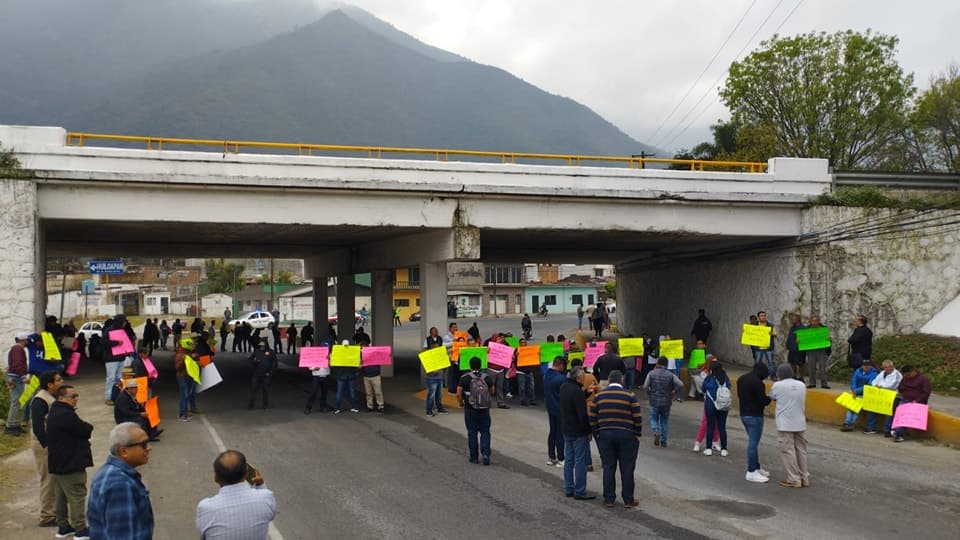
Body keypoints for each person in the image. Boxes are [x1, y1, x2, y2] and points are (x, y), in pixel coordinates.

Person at [87, 422, 154, 539]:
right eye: (143, 444)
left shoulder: (111, 473)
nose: (149, 448)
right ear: (123, 451)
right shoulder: (120, 485)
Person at [589, 370, 642, 508]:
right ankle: (628, 500)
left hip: (605, 435)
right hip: (627, 435)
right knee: (627, 468)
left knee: (608, 467)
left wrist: (597, 433)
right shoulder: (630, 395)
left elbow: (592, 417)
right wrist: (637, 433)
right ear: (621, 380)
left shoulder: (599, 396)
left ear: (609, 381)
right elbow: (637, 417)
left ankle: (609, 499)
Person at [196, 450, 277, 539]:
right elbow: (271, 515)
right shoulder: (265, 497)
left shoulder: (205, 508)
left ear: (216, 478)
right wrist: (261, 485)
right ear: (246, 473)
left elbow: (204, 536)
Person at [47, 385, 93, 539]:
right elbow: (84, 429)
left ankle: (63, 526)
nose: (76, 399)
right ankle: (80, 529)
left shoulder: (56, 411)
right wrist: (87, 427)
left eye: (76, 395)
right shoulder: (65, 414)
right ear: (61, 398)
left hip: (59, 463)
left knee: (61, 496)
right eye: (72, 396)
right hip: (71, 462)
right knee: (77, 495)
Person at [30, 371, 63, 527]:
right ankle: (47, 516)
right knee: (48, 480)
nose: (61, 382)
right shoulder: (40, 400)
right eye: (58, 380)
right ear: (49, 385)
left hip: (51, 443)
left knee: (54, 479)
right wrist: (47, 445)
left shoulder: (51, 397)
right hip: (44, 445)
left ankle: (53, 511)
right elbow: (37, 426)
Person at [769, 364, 809, 488]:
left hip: (785, 424)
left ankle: (794, 478)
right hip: (800, 422)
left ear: (779, 375)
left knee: (788, 451)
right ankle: (804, 477)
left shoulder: (778, 385)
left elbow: (772, 397)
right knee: (801, 450)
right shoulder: (802, 385)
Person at [560, 366, 595, 500]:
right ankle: (579, 490)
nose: (585, 378)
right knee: (580, 460)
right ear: (579, 377)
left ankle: (569, 488)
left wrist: (586, 392)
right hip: (578, 430)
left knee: (569, 459)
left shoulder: (565, 387)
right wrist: (588, 431)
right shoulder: (577, 392)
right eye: (584, 376)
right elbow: (582, 413)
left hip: (567, 428)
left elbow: (575, 400)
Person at [737, 362, 772, 483]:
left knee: (753, 442)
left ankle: (756, 467)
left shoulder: (741, 379)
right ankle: (751, 471)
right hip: (755, 416)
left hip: (744, 414)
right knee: (753, 444)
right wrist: (770, 398)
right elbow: (763, 401)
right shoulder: (758, 383)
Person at [457, 356, 495, 465]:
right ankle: (486, 454)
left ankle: (474, 457)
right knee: (485, 431)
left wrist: (461, 403)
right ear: (480, 365)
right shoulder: (486, 377)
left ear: (470, 366)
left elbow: (458, 393)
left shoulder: (464, 378)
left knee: (472, 432)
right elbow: (492, 391)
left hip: (470, 409)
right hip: (484, 409)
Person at [642, 357, 684, 448]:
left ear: (657, 363)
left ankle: (656, 431)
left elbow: (645, 386)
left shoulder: (651, 373)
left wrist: (650, 393)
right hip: (666, 400)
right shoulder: (670, 375)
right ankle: (664, 440)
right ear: (667, 364)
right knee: (664, 421)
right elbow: (681, 384)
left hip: (654, 400)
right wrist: (674, 391)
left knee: (653, 418)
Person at [893, 365, 932, 442]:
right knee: (900, 416)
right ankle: (898, 432)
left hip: (916, 402)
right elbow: (900, 387)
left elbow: (926, 392)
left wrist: (917, 400)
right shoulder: (905, 378)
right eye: (905, 375)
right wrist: (901, 389)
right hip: (905, 399)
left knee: (905, 418)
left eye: (908, 374)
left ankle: (898, 433)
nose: (907, 376)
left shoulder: (923, 379)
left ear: (913, 371)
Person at [841, 359, 879, 432]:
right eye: (864, 365)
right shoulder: (858, 371)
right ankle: (847, 423)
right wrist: (854, 390)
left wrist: (857, 391)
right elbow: (853, 380)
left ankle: (851, 424)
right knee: (850, 407)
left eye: (868, 366)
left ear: (870, 366)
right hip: (855, 392)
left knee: (856, 409)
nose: (866, 367)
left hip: (864, 393)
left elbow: (869, 385)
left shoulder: (874, 374)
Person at [702, 362, 731, 457]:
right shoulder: (725, 378)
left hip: (711, 404)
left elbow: (703, 389)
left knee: (711, 426)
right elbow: (729, 387)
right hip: (723, 405)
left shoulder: (709, 378)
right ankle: (724, 449)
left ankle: (708, 448)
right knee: (722, 426)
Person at [543, 356, 567, 467]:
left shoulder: (546, 375)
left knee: (552, 432)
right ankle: (561, 458)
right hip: (560, 408)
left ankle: (551, 457)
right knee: (560, 434)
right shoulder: (561, 379)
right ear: (561, 365)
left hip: (550, 407)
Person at [5, 332, 31, 435]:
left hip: (15, 377)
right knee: (15, 402)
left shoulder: (17, 349)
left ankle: (15, 424)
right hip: (15, 378)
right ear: (23, 340)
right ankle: (10, 426)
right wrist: (23, 376)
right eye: (27, 340)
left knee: (18, 402)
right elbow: (17, 364)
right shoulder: (17, 349)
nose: (28, 342)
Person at [870, 360, 903, 436]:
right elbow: (874, 381)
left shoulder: (897, 375)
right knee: (871, 407)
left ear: (892, 367)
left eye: (889, 367)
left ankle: (887, 430)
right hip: (881, 394)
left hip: (894, 396)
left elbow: (892, 386)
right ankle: (871, 427)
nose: (887, 369)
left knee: (889, 410)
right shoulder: (882, 373)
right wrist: (876, 385)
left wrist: (881, 387)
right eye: (885, 367)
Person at [423, 328, 448, 416]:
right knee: (431, 394)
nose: (436, 332)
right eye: (434, 331)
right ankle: (429, 410)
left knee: (439, 394)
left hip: (439, 376)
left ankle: (439, 408)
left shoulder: (440, 339)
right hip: (432, 377)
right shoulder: (427, 342)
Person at [803, 315, 832, 388]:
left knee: (823, 368)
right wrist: (799, 341)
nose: (814, 322)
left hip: (821, 351)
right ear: (810, 322)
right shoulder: (806, 330)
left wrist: (830, 340)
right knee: (811, 367)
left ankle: (824, 383)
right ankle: (812, 383)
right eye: (813, 321)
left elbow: (829, 341)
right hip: (811, 351)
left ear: (818, 321)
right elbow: (803, 341)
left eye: (816, 321)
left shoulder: (823, 329)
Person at [174, 339, 199, 421]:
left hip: (187, 377)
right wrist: (183, 361)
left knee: (186, 395)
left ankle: (185, 411)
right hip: (182, 377)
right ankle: (182, 415)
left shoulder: (187, 354)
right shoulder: (180, 355)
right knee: (184, 396)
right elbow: (177, 368)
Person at [248, 338, 276, 409]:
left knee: (265, 390)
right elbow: (249, 360)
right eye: (261, 346)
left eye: (263, 346)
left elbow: (274, 363)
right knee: (253, 389)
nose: (262, 347)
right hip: (257, 374)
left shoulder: (271, 352)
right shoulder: (256, 351)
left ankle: (265, 405)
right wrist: (254, 363)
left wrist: (270, 372)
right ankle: (251, 405)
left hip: (266, 375)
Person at [333, 340, 360, 414]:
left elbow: (333, 365)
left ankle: (337, 408)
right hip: (350, 376)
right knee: (351, 393)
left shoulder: (337, 354)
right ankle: (353, 407)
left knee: (340, 393)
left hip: (342, 376)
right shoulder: (352, 353)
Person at [362, 346, 385, 413]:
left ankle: (380, 406)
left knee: (378, 392)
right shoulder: (364, 358)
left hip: (376, 377)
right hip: (366, 377)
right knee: (368, 393)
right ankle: (370, 406)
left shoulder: (376, 358)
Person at [754, 311, 777, 380]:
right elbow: (750, 334)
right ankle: (756, 376)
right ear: (758, 317)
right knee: (757, 363)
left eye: (764, 315)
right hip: (758, 348)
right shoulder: (754, 326)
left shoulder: (770, 325)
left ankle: (773, 376)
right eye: (761, 316)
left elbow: (775, 335)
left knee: (770, 362)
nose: (763, 317)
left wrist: (772, 333)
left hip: (768, 347)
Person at [785, 313, 807, 383]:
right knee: (792, 363)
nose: (792, 321)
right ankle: (793, 376)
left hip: (800, 349)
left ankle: (801, 377)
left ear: (798, 320)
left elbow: (805, 339)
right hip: (792, 349)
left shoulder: (803, 328)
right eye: (792, 319)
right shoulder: (792, 327)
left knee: (801, 364)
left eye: (794, 319)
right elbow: (789, 337)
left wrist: (801, 341)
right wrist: (787, 345)